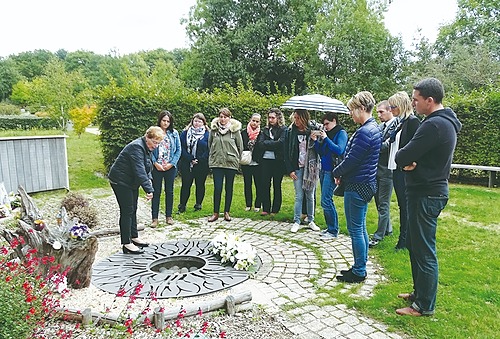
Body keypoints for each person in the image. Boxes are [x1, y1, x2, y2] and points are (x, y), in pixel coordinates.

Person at [395, 78, 461, 316]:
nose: (413, 103)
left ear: (429, 101)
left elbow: (402, 156)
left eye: (415, 99)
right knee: (415, 245)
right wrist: (411, 162)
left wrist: (410, 162)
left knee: (424, 250)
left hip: (426, 193)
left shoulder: (433, 125)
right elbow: (409, 158)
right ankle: (418, 294)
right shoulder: (441, 123)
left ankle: (424, 306)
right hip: (426, 190)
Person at [333, 91, 381, 283]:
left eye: (352, 110)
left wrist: (337, 172)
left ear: (362, 109)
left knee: (355, 229)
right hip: (366, 183)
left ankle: (359, 271)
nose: (351, 114)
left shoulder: (364, 132)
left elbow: (352, 160)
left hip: (358, 184)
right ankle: (359, 266)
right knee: (360, 228)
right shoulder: (373, 128)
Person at [108, 126, 164, 254]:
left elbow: (147, 166)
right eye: (154, 142)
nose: (156, 146)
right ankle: (126, 243)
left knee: (133, 208)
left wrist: (149, 180)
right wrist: (149, 189)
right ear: (147, 137)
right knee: (127, 210)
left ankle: (134, 237)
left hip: (131, 182)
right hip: (120, 181)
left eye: (158, 143)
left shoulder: (146, 147)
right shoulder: (137, 147)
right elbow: (139, 170)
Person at [387, 91, 421, 250]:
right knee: (403, 205)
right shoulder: (401, 122)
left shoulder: (413, 122)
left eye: (393, 106)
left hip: (404, 171)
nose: (391, 109)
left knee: (405, 206)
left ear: (401, 106)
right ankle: (406, 238)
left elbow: (416, 147)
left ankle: (405, 239)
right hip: (396, 168)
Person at [311, 112, 348, 240]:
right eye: (324, 124)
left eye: (327, 124)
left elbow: (339, 150)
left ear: (334, 120)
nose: (325, 127)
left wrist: (326, 138)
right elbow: (321, 152)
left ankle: (333, 230)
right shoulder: (328, 134)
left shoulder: (341, 133)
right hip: (324, 169)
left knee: (326, 200)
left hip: (333, 170)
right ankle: (330, 227)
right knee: (325, 200)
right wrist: (316, 141)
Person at [284, 109, 321, 233]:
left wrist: (314, 140)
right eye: (294, 117)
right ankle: (296, 221)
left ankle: (311, 220)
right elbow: (286, 153)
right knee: (299, 195)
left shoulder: (313, 130)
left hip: (311, 168)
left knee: (310, 195)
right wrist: (290, 170)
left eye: (298, 118)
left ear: (304, 118)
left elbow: (320, 150)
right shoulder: (290, 132)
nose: (296, 120)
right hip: (297, 167)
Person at [369, 100, 398, 247]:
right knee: (379, 202)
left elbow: (386, 146)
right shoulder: (381, 126)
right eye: (377, 112)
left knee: (383, 204)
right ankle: (388, 229)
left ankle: (378, 236)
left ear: (390, 111)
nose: (378, 114)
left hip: (388, 170)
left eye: (381, 112)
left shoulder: (396, 125)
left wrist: (373, 145)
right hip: (377, 169)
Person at [208, 108, 243, 222]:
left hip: (230, 162)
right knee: (217, 188)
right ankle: (215, 212)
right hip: (217, 163)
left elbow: (240, 147)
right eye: (221, 117)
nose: (223, 119)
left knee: (229, 188)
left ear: (230, 118)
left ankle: (227, 212)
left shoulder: (235, 131)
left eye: (225, 117)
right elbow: (210, 145)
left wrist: (236, 159)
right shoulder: (213, 130)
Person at [151, 110, 181, 227]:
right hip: (157, 166)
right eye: (164, 121)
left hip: (170, 166)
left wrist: (172, 163)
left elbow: (178, 150)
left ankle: (169, 216)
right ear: (160, 120)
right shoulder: (154, 132)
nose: (166, 123)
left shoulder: (174, 133)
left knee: (169, 191)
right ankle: (154, 218)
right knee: (156, 191)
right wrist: (155, 163)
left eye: (168, 121)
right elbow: (150, 149)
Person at [255, 108, 287, 216]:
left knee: (277, 185)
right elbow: (260, 144)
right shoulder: (265, 130)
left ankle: (275, 209)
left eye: (273, 118)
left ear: (278, 118)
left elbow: (281, 143)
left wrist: (269, 144)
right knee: (265, 184)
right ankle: (266, 208)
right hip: (265, 160)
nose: (271, 120)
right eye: (269, 118)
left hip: (278, 161)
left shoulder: (283, 130)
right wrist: (273, 143)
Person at [178, 113, 210, 213]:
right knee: (186, 184)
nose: (197, 123)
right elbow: (181, 147)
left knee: (200, 184)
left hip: (201, 164)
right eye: (195, 121)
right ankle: (182, 205)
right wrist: (190, 158)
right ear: (192, 121)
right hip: (187, 164)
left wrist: (199, 160)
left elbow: (209, 149)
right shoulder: (185, 133)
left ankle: (198, 205)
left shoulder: (207, 134)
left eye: (199, 121)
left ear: (203, 123)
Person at [240, 113, 262, 213]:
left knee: (258, 184)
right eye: (253, 120)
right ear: (250, 120)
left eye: (257, 121)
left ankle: (258, 204)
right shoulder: (243, 133)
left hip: (257, 162)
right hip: (246, 161)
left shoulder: (262, 133)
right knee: (247, 183)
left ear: (260, 122)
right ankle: (248, 204)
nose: (255, 123)